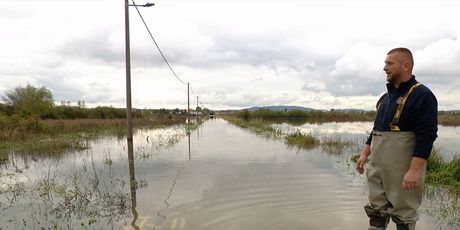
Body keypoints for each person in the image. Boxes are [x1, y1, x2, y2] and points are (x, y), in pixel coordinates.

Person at [355, 47, 438, 230]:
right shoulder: (385, 98)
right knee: (376, 211)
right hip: (378, 167)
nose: (385, 67)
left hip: (403, 169)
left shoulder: (423, 96)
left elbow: (427, 135)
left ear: (406, 65)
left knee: (404, 216)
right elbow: (376, 130)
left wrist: (415, 171)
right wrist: (364, 154)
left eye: (389, 63)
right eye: (385, 63)